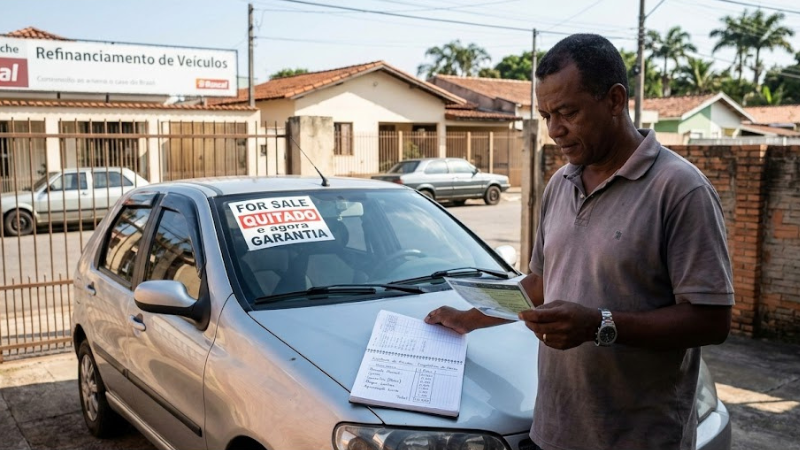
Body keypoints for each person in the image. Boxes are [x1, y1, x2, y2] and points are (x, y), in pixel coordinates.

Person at [425, 33, 733, 450]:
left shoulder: (680, 189)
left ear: (615, 101)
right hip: (552, 430)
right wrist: (469, 318)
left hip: (637, 439)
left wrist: (600, 325)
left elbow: (711, 320)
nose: (554, 130)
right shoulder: (561, 182)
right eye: (546, 114)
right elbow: (540, 284)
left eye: (567, 112)